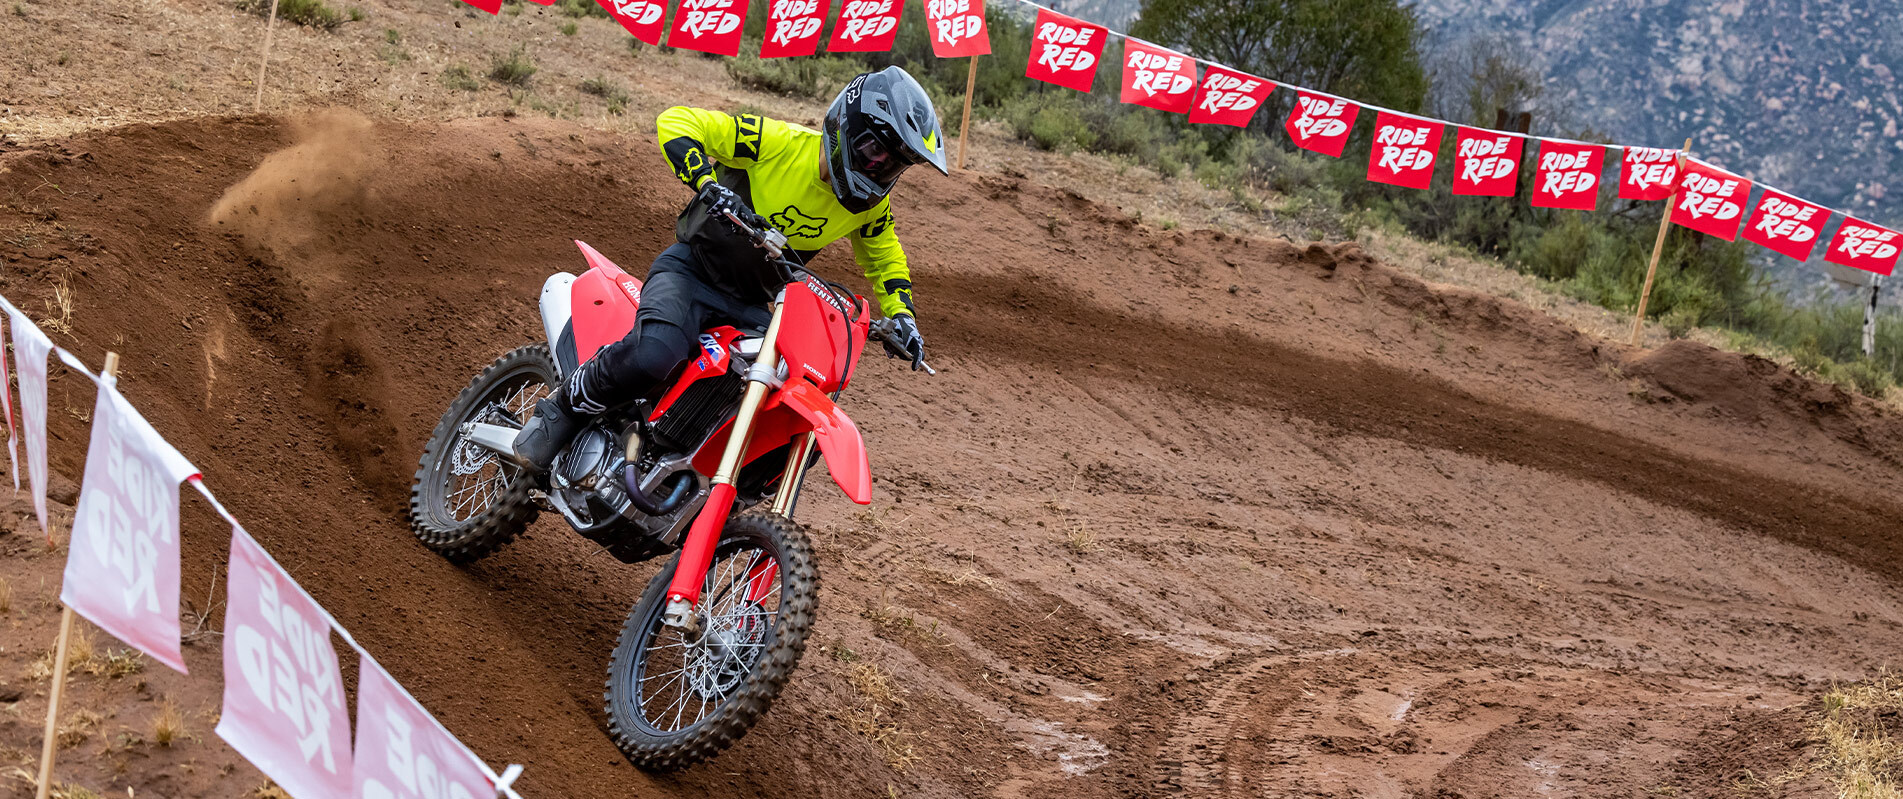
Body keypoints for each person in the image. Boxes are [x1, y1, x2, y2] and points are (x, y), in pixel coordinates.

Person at [513, 66, 945, 471]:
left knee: (784, 404)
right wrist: (708, 184)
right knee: (654, 354)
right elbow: (677, 122)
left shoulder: (870, 207)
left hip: (756, 306)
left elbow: (885, 256)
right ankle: (562, 409)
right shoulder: (775, 143)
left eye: (893, 163)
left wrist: (903, 317)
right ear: (846, 128)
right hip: (692, 272)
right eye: (874, 150)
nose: (879, 167)